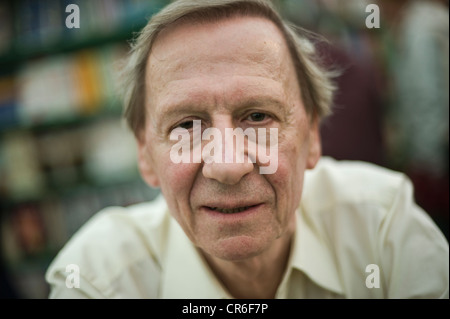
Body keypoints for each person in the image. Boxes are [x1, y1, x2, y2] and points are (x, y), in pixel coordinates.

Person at [45, 0, 449, 298]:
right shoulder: (100, 278)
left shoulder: (382, 228)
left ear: (312, 137)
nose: (227, 164)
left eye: (257, 117)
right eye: (186, 125)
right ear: (146, 156)